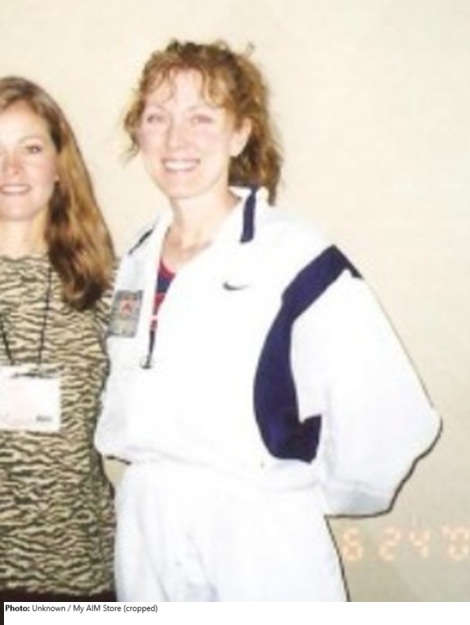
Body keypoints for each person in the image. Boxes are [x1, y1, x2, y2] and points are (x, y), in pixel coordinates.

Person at [95, 40, 440, 602]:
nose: (176, 139)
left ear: (240, 133)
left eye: (201, 118)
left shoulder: (296, 259)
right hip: (147, 522)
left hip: (257, 530)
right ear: (139, 132)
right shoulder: (136, 257)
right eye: (157, 117)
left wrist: (301, 495)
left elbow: (389, 409)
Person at [0, 76, 116, 601]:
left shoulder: (107, 288)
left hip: (80, 574)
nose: (11, 169)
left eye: (31, 148)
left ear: (58, 165)